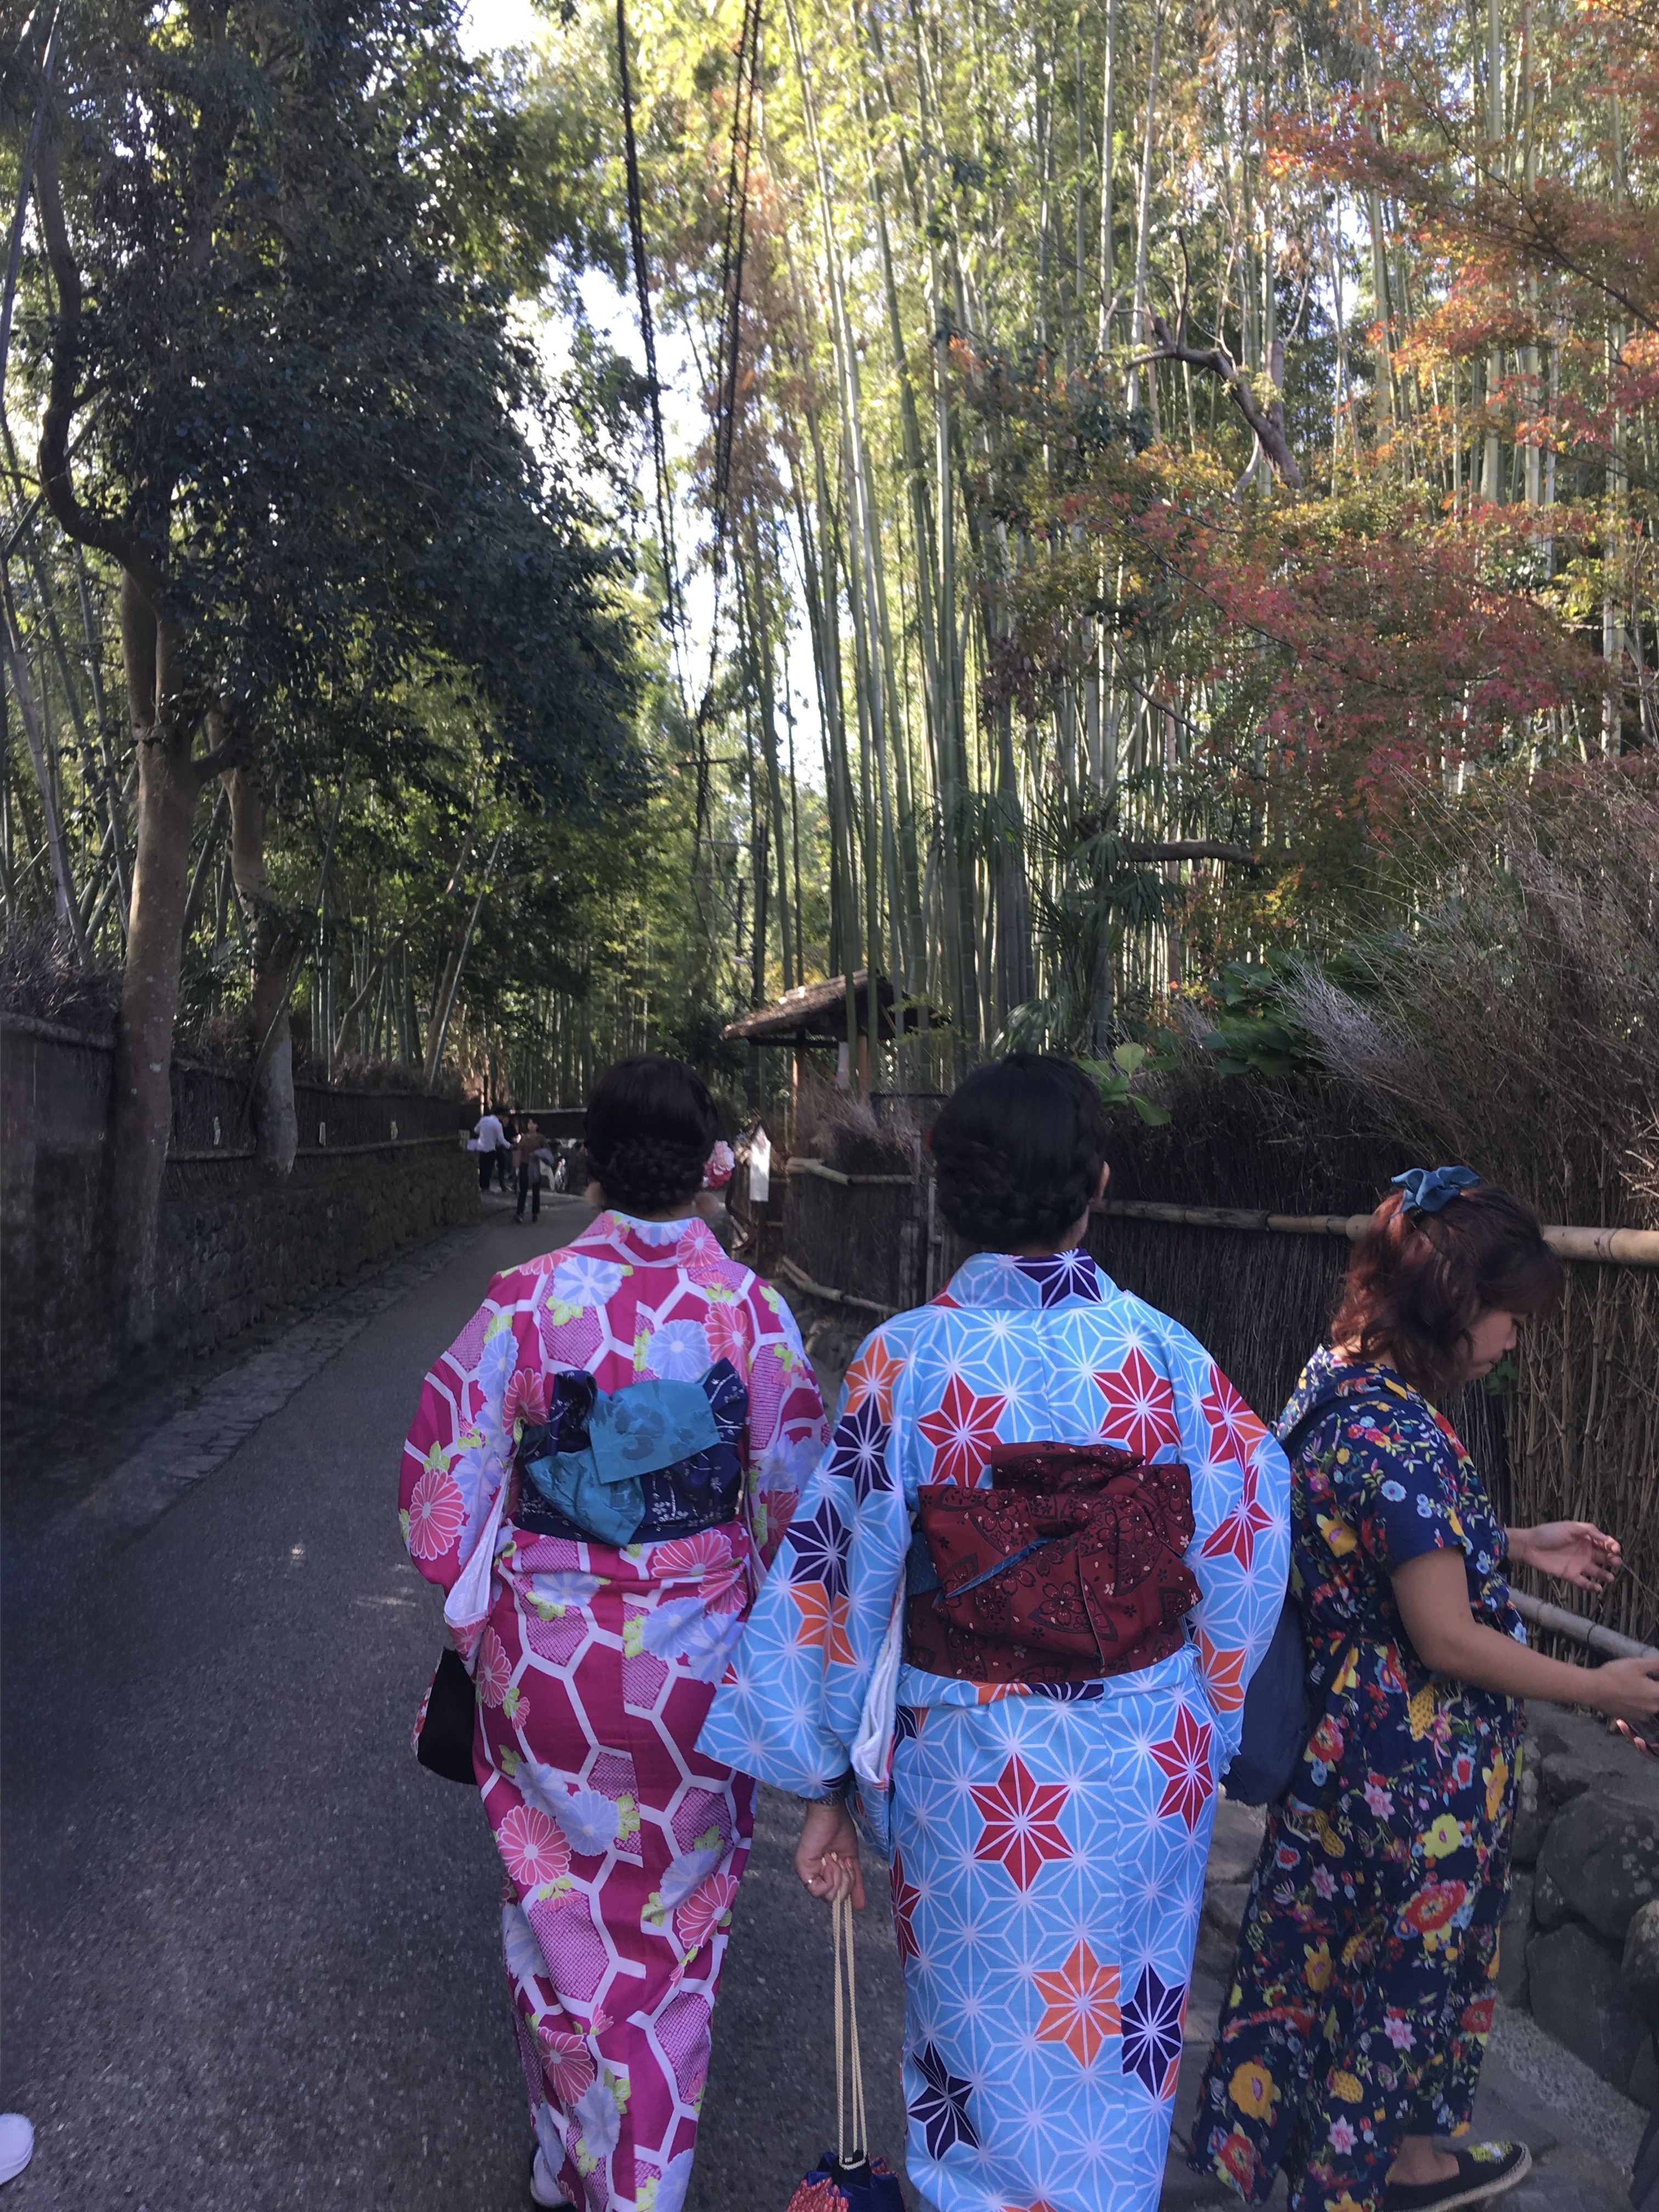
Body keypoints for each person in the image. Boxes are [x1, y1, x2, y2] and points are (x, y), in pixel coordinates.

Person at [699, 1053, 1291, 2212]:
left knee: (973, 2065)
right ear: (1099, 1185)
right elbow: (1248, 1548)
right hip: (1140, 1761)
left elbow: (841, 1578)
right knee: (1122, 2056)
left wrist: (827, 1779)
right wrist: (1203, 1717)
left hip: (974, 1775)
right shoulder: (1165, 1360)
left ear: (946, 1186)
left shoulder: (907, 1362)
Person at [400, 1054, 828, 2212]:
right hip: (695, 1673)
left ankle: (568, 2154)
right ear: (710, 1168)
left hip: (550, 1666)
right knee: (674, 1937)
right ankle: (641, 2179)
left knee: (556, 1914)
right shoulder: (750, 1311)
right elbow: (799, 1507)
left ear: (589, 1159)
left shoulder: (525, 1302)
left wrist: (500, 1572)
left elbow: (438, 1498)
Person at [1189, 1167, 1659, 2212]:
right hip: (1408, 1781)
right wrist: (1595, 1683)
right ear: (1452, 1301)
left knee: (1319, 1968)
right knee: (1391, 1991)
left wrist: (1513, 1542)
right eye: (1505, 1315)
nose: (1509, 1340)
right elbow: (1443, 1636)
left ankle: (1349, 2162)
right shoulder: (1399, 1433)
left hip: (1343, 1763)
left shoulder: (1334, 1382)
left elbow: (1370, 1550)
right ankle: (1351, 2183)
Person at [514, 1118, 548, 1223]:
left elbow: (547, 1151)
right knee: (523, 1188)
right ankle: (520, 1213)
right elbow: (520, 1150)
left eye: (532, 1123)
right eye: (529, 1123)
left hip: (536, 1165)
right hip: (524, 1164)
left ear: (537, 1125)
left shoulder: (541, 1138)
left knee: (535, 1190)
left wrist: (538, 1154)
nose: (530, 1125)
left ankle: (535, 1212)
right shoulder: (524, 1137)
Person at [475, 1101, 506, 1193]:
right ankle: (486, 1187)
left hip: (481, 1146)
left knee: (482, 1167)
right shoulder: (498, 1125)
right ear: (500, 1115)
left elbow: (476, 1130)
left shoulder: (483, 1120)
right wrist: (509, 1145)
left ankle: (482, 1186)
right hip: (491, 1148)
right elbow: (502, 1140)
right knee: (488, 1168)